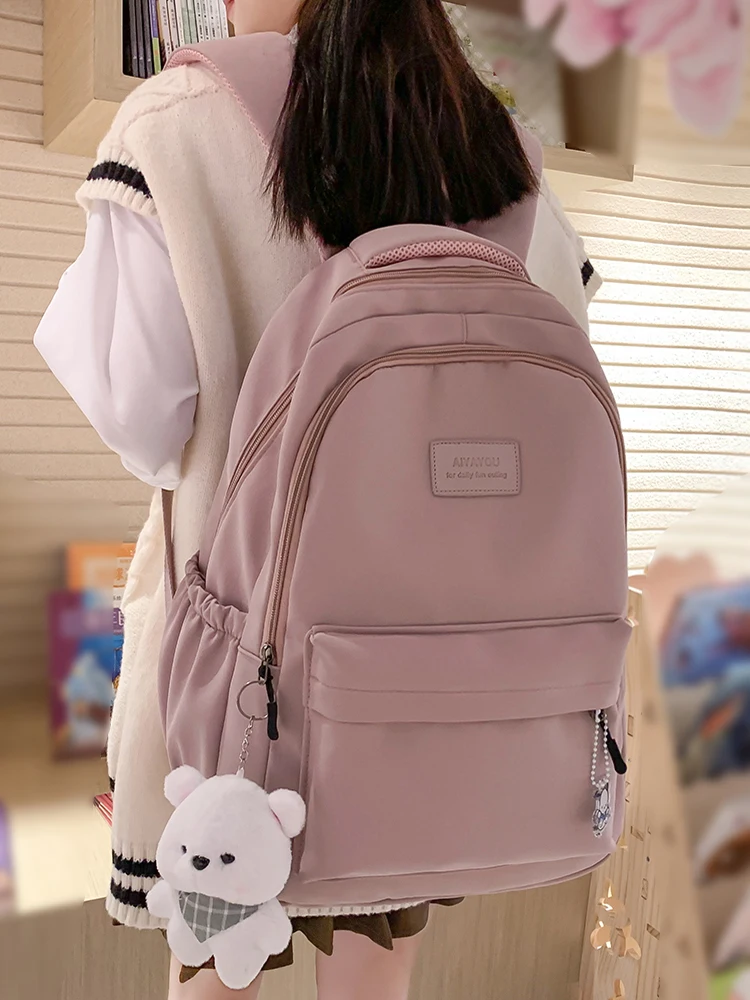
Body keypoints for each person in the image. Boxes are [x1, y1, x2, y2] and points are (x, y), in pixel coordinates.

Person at [35, 1, 600, 997]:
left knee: (218, 963)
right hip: (441, 690)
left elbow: (143, 420)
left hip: (239, 680)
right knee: (382, 956)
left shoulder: (179, 120)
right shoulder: (501, 147)